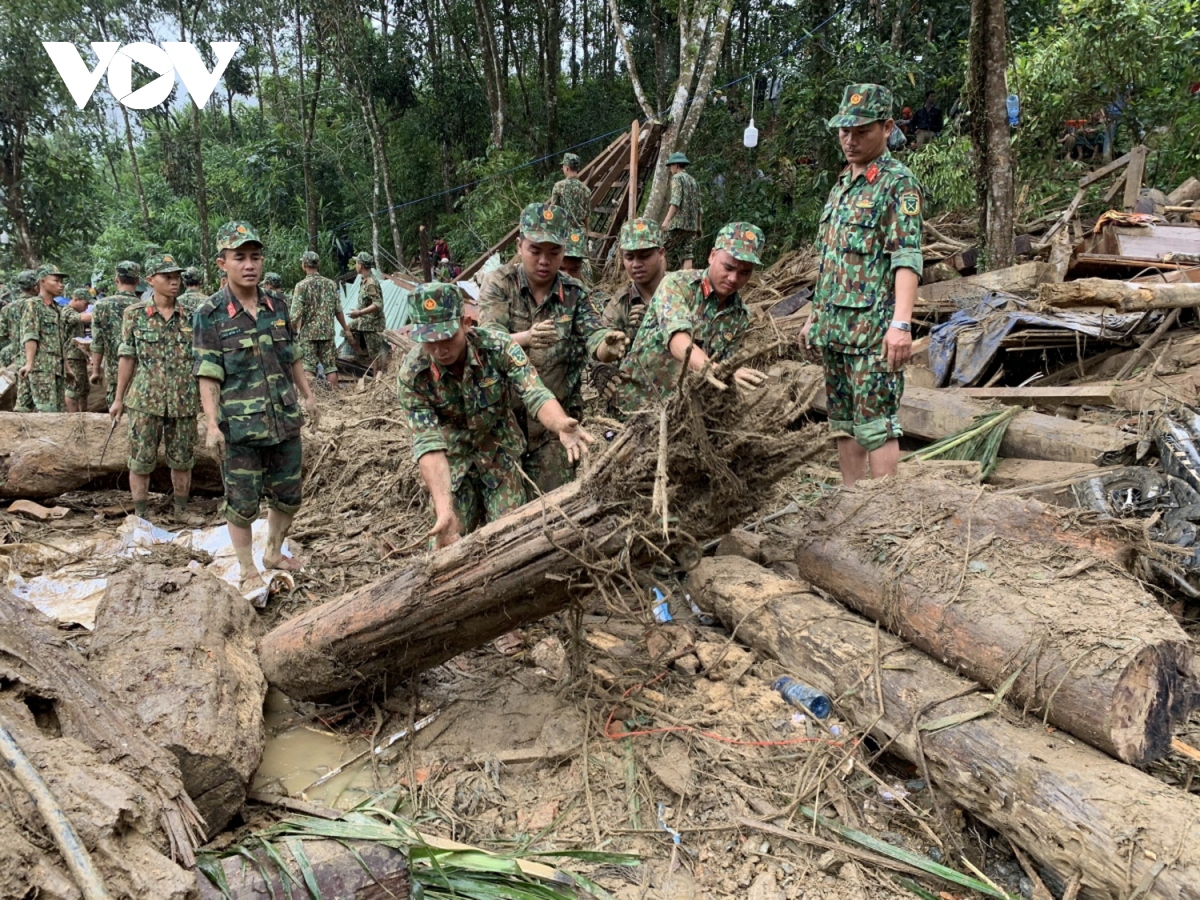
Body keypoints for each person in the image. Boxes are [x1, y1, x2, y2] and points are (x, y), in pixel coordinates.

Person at [398, 283, 594, 547]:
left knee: (513, 539)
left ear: (465, 323)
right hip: (454, 466)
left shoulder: (497, 346)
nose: (439, 349)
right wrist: (444, 509)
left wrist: (560, 423)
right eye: (429, 340)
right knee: (444, 546)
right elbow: (428, 443)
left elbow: (534, 391)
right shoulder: (414, 374)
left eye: (447, 336)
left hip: (500, 456)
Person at [800, 83, 923, 487]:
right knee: (844, 421)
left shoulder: (896, 184)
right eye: (843, 132)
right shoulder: (842, 187)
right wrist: (814, 315)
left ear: (887, 128)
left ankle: (882, 510)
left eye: (862, 132)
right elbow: (831, 260)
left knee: (877, 423)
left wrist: (901, 324)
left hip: (874, 332)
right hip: (836, 328)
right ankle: (852, 503)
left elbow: (906, 256)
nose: (850, 141)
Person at [193, 221, 319, 590]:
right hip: (240, 426)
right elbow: (207, 372)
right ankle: (248, 569)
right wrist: (212, 424)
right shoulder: (210, 313)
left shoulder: (276, 304)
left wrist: (308, 395)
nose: (249, 265)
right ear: (223, 263)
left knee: (289, 496)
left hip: (283, 419)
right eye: (240, 258)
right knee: (242, 504)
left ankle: (274, 551)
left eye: (255, 257)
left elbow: (291, 354)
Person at [478, 202, 625, 492]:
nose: (544, 261)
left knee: (554, 508)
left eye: (554, 252)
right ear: (520, 246)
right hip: (504, 424)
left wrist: (609, 347)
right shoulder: (500, 284)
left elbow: (595, 338)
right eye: (535, 251)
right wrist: (526, 338)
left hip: (555, 427)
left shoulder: (574, 293)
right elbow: (487, 342)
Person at [612, 223, 767, 411]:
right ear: (712, 256)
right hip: (635, 405)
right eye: (728, 267)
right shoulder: (677, 284)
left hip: (682, 413)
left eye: (744, 272)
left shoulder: (739, 316)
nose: (733, 278)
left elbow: (723, 367)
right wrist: (718, 371)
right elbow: (678, 340)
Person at [111, 253, 203, 523]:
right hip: (144, 400)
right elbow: (127, 356)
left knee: (183, 459)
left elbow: (202, 359)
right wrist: (118, 398)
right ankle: (140, 514)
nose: (175, 282)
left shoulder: (192, 316)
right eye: (167, 277)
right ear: (151, 280)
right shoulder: (135, 314)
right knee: (140, 459)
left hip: (183, 399)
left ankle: (181, 510)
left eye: (177, 277)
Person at [600, 217, 667, 337]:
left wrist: (657, 323)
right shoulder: (620, 304)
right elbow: (604, 344)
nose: (636, 264)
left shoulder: (681, 289)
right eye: (629, 257)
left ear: (661, 254)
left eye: (645, 256)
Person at [17, 264, 71, 413]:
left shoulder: (56, 309)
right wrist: (29, 363)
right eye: (56, 280)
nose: (61, 285)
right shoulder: (33, 305)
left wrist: (67, 368)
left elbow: (59, 341)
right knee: (47, 411)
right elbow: (30, 335)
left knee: (57, 411)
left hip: (56, 368)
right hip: (41, 368)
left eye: (61, 281)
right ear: (42, 281)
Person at [292, 250, 349, 390]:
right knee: (330, 367)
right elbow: (338, 310)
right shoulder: (330, 284)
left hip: (309, 334)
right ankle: (334, 397)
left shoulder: (301, 286)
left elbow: (295, 315)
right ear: (318, 264)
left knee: (308, 366)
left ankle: (315, 397)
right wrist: (346, 328)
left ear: (304, 265)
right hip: (328, 332)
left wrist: (291, 332)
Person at [90, 261, 142, 407]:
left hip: (114, 373)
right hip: (141, 376)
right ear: (138, 281)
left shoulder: (102, 305)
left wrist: (96, 371)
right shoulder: (144, 307)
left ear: (116, 279)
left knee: (116, 416)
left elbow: (97, 342)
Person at [661, 152, 702, 270]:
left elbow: (675, 201)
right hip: (692, 226)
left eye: (670, 166)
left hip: (678, 224)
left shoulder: (677, 178)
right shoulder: (694, 181)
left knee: (660, 249)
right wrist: (699, 226)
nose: (670, 169)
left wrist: (667, 220)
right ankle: (686, 284)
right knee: (688, 254)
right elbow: (699, 206)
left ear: (677, 165)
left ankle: (660, 281)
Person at [347, 251, 386, 366]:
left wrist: (359, 312)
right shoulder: (363, 280)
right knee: (346, 330)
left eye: (356, 263)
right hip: (363, 322)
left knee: (375, 357)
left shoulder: (371, 283)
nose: (355, 265)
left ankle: (377, 378)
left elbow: (378, 304)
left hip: (372, 324)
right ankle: (362, 354)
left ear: (361, 265)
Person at [62, 288, 94, 412]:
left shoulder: (75, 312)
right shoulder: (67, 311)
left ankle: (83, 415)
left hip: (79, 355)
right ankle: (74, 417)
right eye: (85, 304)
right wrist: (102, 313)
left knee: (83, 388)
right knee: (73, 388)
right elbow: (81, 318)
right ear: (76, 300)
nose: (86, 307)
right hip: (71, 356)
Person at [0, 270, 38, 368]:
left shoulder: (8, 308)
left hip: (17, 358)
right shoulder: (42, 305)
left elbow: (2, 334)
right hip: (41, 360)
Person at [549, 152, 591, 235]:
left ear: (567, 168)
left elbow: (554, 211)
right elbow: (587, 216)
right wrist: (586, 234)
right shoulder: (586, 189)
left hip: (564, 234)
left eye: (563, 167)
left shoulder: (558, 186)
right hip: (580, 236)